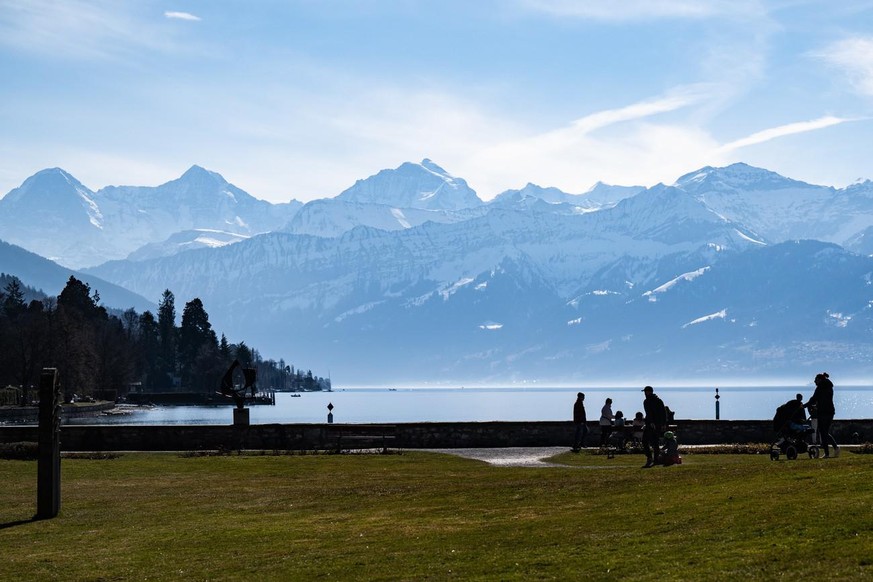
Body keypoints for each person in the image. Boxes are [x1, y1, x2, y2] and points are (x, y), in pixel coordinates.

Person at [805, 372, 839, 458]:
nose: (814, 381)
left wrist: (804, 406)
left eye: (815, 380)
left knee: (822, 432)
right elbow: (824, 399)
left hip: (823, 413)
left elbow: (814, 399)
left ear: (819, 380)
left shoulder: (820, 388)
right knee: (825, 432)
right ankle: (835, 448)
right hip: (830, 412)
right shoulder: (829, 387)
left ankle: (827, 453)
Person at [642, 385, 667, 468]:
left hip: (651, 424)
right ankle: (655, 459)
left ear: (649, 392)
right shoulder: (659, 400)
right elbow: (663, 413)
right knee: (655, 442)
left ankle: (650, 458)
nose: (645, 393)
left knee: (645, 441)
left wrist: (651, 422)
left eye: (645, 391)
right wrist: (663, 423)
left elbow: (649, 413)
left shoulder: (647, 401)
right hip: (657, 424)